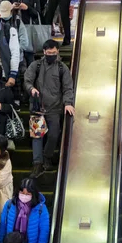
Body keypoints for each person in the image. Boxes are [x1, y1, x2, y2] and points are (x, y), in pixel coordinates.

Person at [24, 39, 75, 177]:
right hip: (37, 108)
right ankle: (37, 164)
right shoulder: (36, 65)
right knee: (37, 136)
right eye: (48, 52)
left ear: (57, 51)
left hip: (54, 108)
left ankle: (47, 157)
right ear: (44, 52)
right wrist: (31, 89)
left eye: (54, 52)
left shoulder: (62, 68)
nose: (51, 54)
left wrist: (68, 103)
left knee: (53, 135)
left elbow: (68, 87)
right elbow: (27, 80)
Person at [0, 178, 50, 243]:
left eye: (28, 194)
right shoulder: (9, 205)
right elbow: (3, 224)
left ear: (33, 194)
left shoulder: (41, 209)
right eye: (22, 192)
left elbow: (44, 231)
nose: (24, 196)